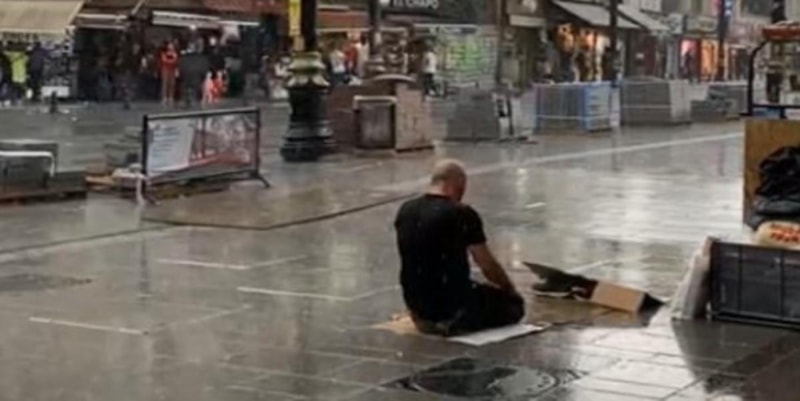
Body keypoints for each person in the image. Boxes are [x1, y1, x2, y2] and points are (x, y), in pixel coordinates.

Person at [394, 159, 524, 337]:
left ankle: (427, 318)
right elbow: (486, 264)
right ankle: (453, 321)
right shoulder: (461, 213)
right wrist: (510, 290)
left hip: (415, 302)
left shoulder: (406, 209)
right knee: (513, 307)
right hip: (452, 303)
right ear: (456, 184)